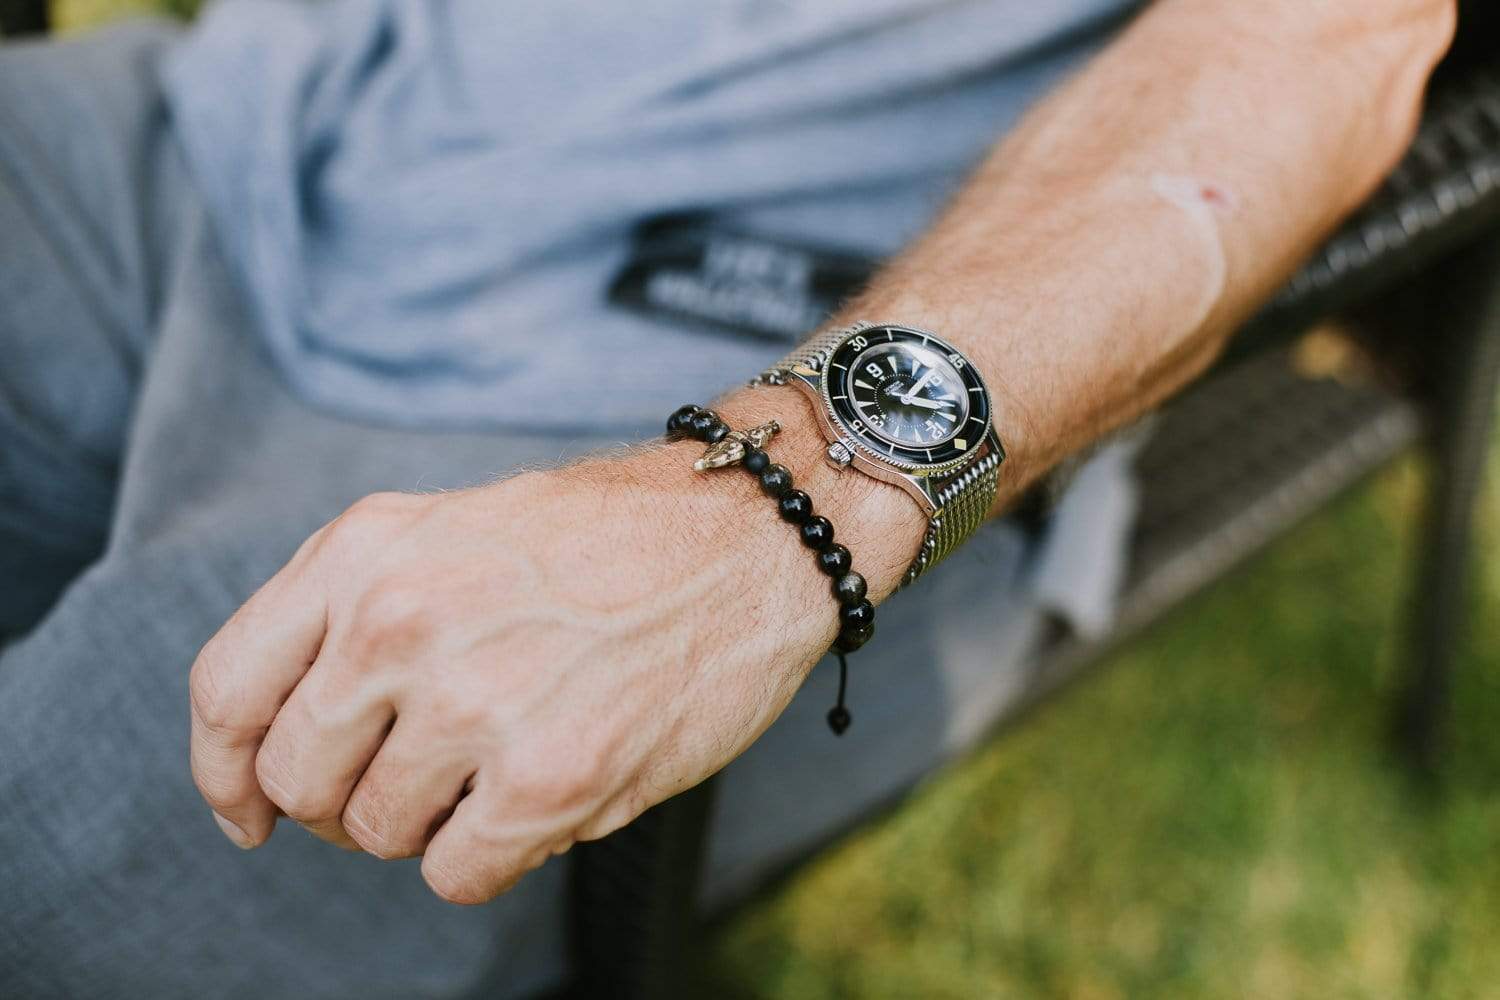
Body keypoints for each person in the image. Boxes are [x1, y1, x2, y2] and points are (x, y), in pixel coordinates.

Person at [0, 0, 1455, 996]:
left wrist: (776, 506)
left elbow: (1320, 46)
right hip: (264, 109)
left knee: (58, 868)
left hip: (688, 366)